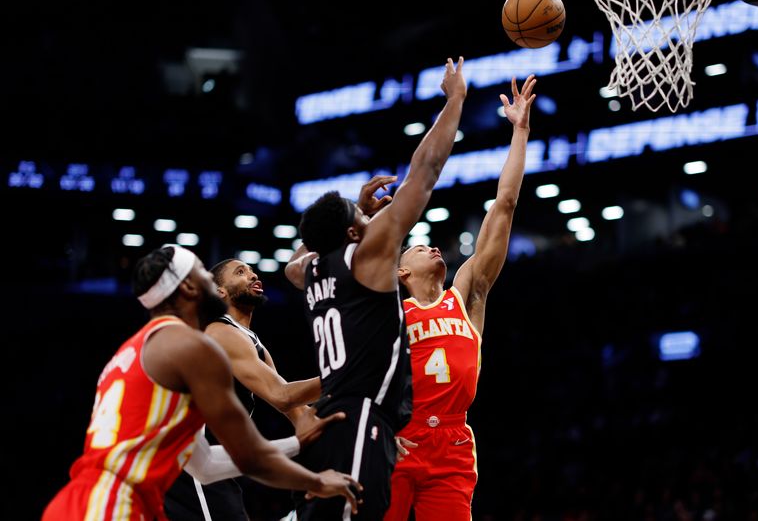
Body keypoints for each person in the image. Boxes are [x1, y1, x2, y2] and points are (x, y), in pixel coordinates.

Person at [42, 244, 362, 521]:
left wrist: (297, 443)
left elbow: (205, 465)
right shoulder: (193, 347)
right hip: (110, 505)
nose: (208, 275)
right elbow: (250, 454)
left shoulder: (137, 349)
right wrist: (316, 482)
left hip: (85, 502)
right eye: (200, 270)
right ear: (189, 288)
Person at [284, 56, 468, 520]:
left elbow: (293, 259)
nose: (370, 220)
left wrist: (353, 216)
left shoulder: (310, 273)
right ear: (351, 236)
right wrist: (455, 100)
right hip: (360, 419)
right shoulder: (364, 259)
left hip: (338, 420)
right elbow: (424, 171)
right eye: (361, 218)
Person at [383, 74, 537, 521]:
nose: (433, 247)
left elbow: (504, 204)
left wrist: (520, 132)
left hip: (451, 444)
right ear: (401, 271)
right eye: (418, 246)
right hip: (399, 436)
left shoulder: (466, 295)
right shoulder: (390, 310)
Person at [164, 258, 327, 521]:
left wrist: (359, 425)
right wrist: (346, 373)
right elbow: (282, 396)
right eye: (240, 272)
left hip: (216, 465)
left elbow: (299, 413)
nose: (252, 275)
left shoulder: (252, 342)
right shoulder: (220, 331)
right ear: (220, 292)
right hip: (191, 466)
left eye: (252, 271)